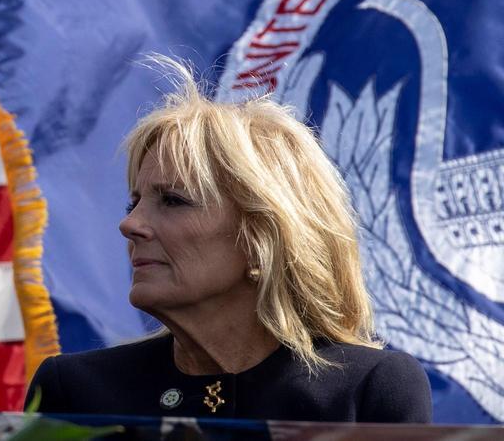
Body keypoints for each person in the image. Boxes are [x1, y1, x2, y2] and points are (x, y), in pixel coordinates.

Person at [27, 58, 431, 422]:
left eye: (172, 201)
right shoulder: (75, 392)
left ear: (263, 237)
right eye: (133, 203)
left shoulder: (367, 389)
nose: (130, 225)